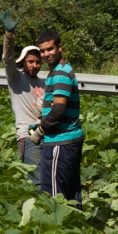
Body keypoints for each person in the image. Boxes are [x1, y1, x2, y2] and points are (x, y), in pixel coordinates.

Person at [27, 29, 83, 205]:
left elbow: (59, 108)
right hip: (69, 138)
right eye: (42, 51)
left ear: (60, 47)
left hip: (60, 141)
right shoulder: (61, 70)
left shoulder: (59, 73)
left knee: (53, 197)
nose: (46, 54)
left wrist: (41, 130)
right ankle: (76, 229)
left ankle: (56, 230)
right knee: (71, 193)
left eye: (50, 49)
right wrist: (41, 121)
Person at [0, 10, 44, 184]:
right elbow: (7, 59)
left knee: (45, 180)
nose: (34, 65)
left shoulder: (44, 83)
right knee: (35, 181)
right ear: (23, 62)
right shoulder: (16, 78)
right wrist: (9, 36)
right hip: (28, 136)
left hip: (44, 134)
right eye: (30, 61)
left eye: (37, 62)